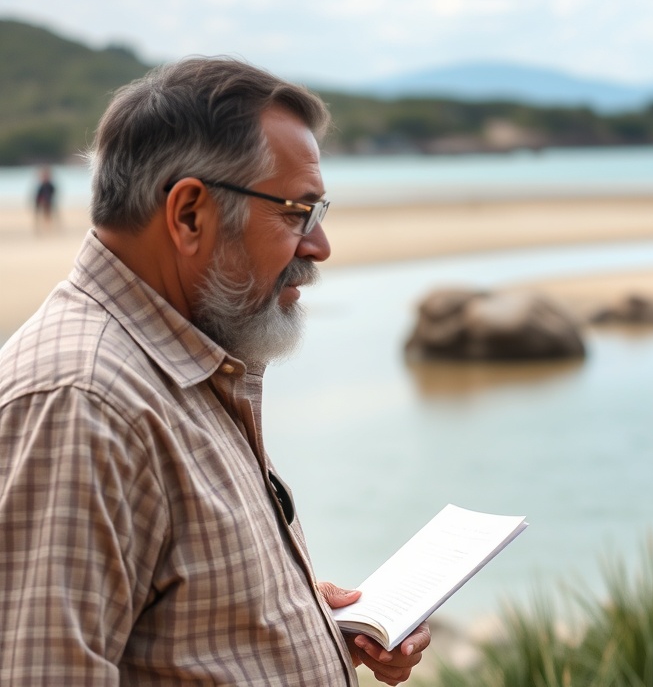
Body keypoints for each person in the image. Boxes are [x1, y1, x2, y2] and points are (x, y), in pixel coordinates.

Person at [0, 58, 430, 684]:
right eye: (296, 213)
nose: (319, 246)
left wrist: (308, 624)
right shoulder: (83, 402)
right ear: (189, 215)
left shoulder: (182, 362)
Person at [33, 164, 57, 232]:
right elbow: (38, 195)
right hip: (41, 202)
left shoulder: (50, 185)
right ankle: (43, 228)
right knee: (41, 215)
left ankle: (48, 228)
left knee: (48, 215)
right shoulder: (42, 185)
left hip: (48, 202)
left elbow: (53, 192)